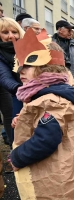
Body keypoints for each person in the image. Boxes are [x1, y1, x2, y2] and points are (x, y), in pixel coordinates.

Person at [10, 28, 74, 199]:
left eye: (28, 65)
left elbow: (46, 139)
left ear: (47, 69)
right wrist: (23, 122)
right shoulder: (44, 95)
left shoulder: (51, 101)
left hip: (60, 177)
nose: (21, 71)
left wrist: (17, 157)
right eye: (20, 66)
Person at [0, 17, 25, 145]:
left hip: (34, 91)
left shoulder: (28, 47)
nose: (10, 36)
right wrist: (21, 89)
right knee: (16, 130)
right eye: (5, 32)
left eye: (14, 32)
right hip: (16, 92)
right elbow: (4, 77)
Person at [52, 20, 74, 89]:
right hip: (58, 79)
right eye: (69, 30)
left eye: (71, 31)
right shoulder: (51, 44)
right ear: (60, 30)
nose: (71, 33)